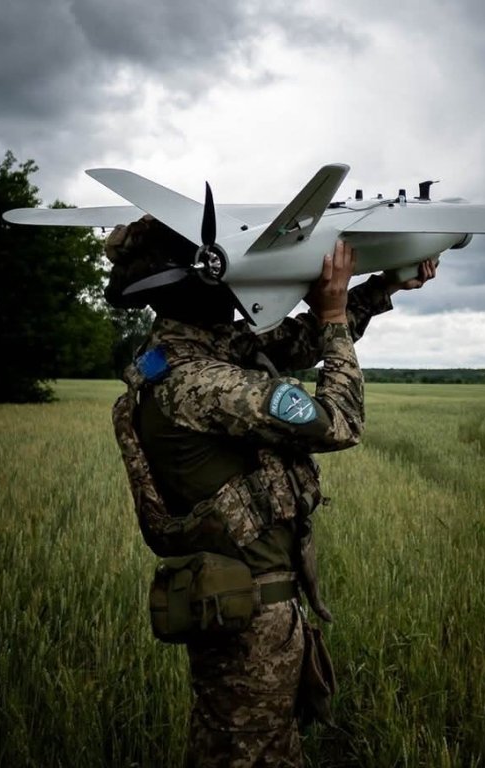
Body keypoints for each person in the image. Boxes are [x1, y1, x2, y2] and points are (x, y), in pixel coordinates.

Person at [103, 214, 436, 768]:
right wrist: (334, 316)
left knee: (244, 749)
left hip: (238, 601)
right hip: (250, 618)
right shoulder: (201, 383)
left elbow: (296, 341)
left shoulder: (179, 352)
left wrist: (382, 288)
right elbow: (339, 423)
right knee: (250, 754)